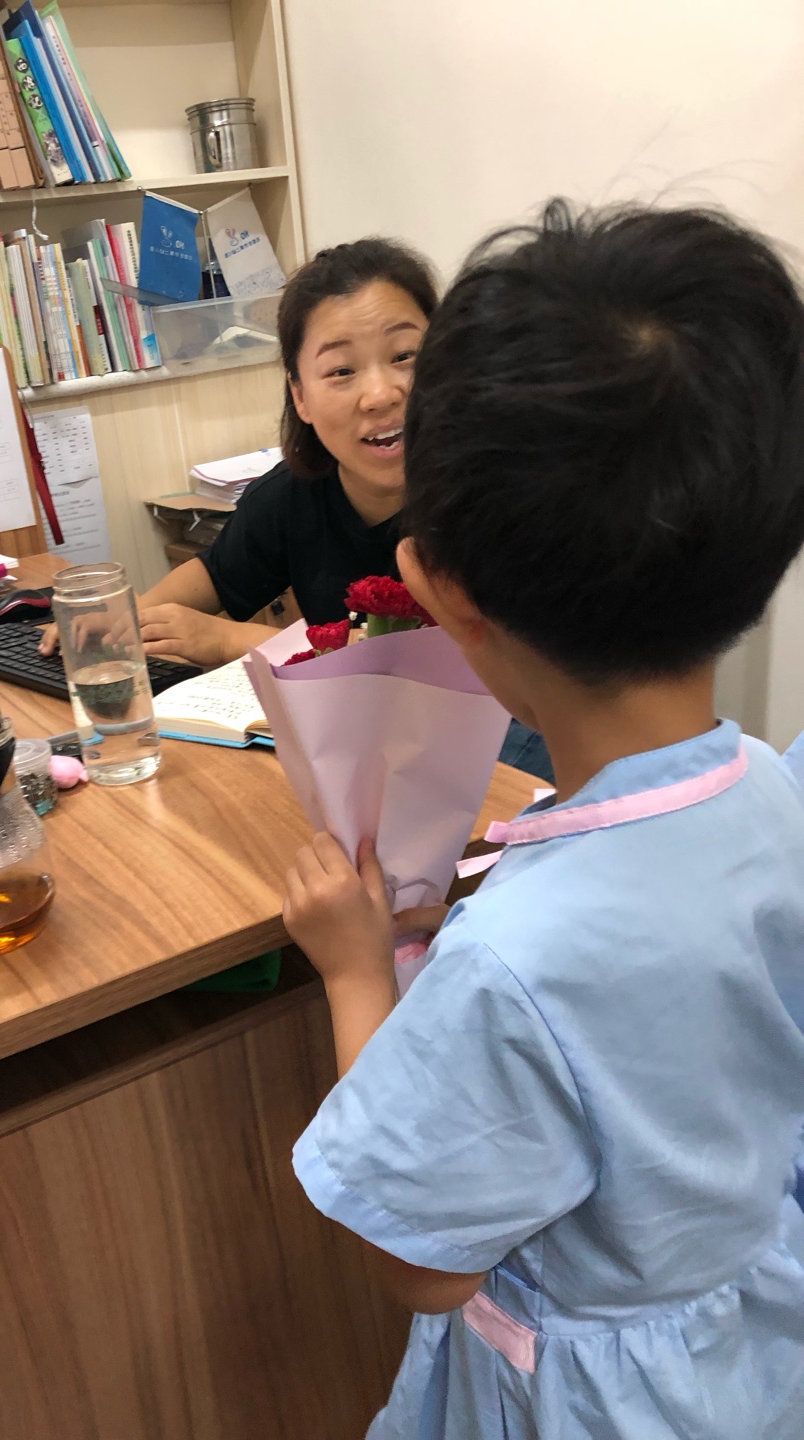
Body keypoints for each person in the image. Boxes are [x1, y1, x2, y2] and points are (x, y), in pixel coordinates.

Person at [282, 200, 804, 1439]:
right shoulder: (774, 786)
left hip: (594, 1400)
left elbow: (421, 1261)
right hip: (752, 1339)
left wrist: (357, 975)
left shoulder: (512, 963)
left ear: (439, 595)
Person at [39, 237, 552, 781]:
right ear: (300, 395)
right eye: (341, 371)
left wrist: (228, 639)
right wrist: (112, 628)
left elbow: (440, 669)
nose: (380, 394)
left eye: (405, 356)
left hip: (504, 757)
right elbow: (214, 575)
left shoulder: (494, 495)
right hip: (369, 763)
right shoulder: (292, 495)